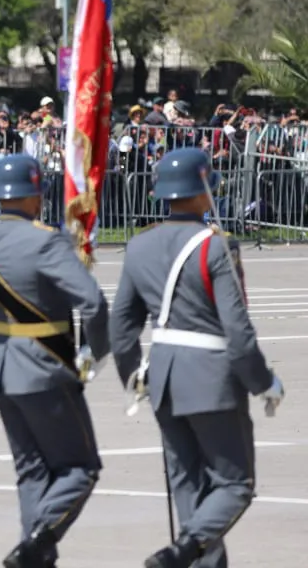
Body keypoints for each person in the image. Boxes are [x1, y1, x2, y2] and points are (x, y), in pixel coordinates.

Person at [110, 148, 285, 568]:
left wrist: (134, 374)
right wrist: (263, 382)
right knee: (235, 485)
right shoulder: (216, 246)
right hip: (210, 376)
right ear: (205, 189)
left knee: (188, 485)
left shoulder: (139, 245)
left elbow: (121, 326)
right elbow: (238, 332)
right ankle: (181, 552)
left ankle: (195, 558)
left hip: (163, 378)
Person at [0, 154, 109, 568]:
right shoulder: (45, 240)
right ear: (35, 194)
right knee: (79, 468)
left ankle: (37, 558)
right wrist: (93, 353)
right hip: (45, 366)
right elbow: (93, 304)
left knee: (31, 471)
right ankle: (35, 544)